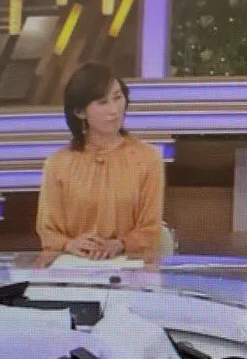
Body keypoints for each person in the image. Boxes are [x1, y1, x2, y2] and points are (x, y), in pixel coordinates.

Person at [36, 62, 164, 260]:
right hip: (74, 266)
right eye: (103, 102)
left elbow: (150, 228)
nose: (114, 110)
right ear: (80, 112)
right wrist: (70, 244)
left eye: (118, 98)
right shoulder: (58, 164)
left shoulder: (148, 158)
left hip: (128, 265)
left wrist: (120, 244)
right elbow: (49, 231)